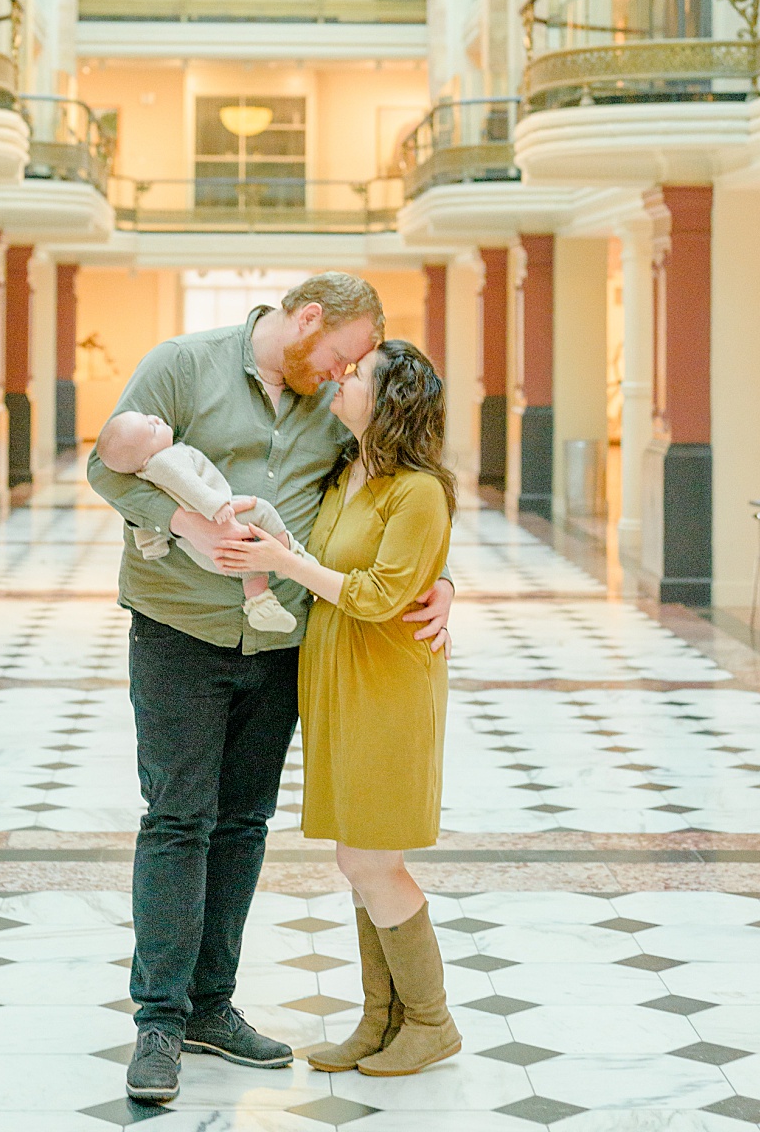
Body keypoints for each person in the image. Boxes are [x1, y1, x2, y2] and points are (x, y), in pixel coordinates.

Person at [86, 274, 457, 1106]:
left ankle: (212, 1005)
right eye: (339, 356)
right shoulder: (183, 365)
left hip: (283, 641)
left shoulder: (336, 410)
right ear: (308, 319)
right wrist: (181, 523)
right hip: (179, 628)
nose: (340, 374)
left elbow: (391, 495)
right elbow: (107, 465)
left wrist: (443, 583)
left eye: (352, 368)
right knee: (179, 818)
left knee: (244, 823)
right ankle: (159, 1018)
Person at [220, 338, 460, 1077]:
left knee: (368, 855)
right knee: (359, 858)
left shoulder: (418, 491)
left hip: (387, 686)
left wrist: (282, 563)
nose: (343, 381)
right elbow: (332, 559)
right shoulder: (347, 471)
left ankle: (430, 1021)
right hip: (337, 682)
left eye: (359, 376)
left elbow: (379, 594)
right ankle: (379, 1022)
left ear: (390, 401)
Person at [94, 409, 298, 633]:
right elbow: (192, 486)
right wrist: (216, 506)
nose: (155, 419)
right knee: (261, 510)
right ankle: (292, 555)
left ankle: (260, 603)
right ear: (145, 456)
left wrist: (153, 546)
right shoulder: (166, 460)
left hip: (194, 549)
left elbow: (145, 523)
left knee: (247, 559)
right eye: (152, 428)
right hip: (218, 515)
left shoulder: (144, 473)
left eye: (148, 418)